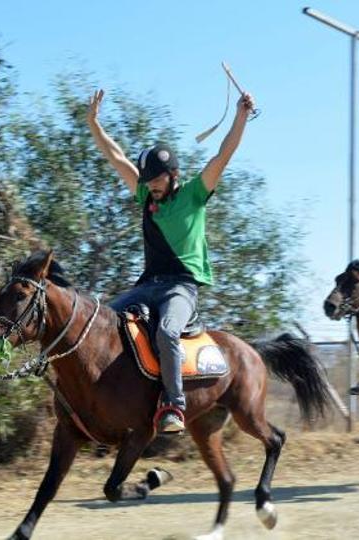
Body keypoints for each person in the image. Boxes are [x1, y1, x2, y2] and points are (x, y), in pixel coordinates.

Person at [86, 88, 254, 433]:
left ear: (173, 175)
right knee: (103, 322)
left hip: (181, 288)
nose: (151, 185)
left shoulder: (195, 193)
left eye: (157, 179)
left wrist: (240, 116)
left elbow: (224, 154)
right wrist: (94, 125)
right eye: (147, 180)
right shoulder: (146, 194)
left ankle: (173, 406)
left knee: (166, 331)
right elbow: (116, 157)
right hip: (147, 286)